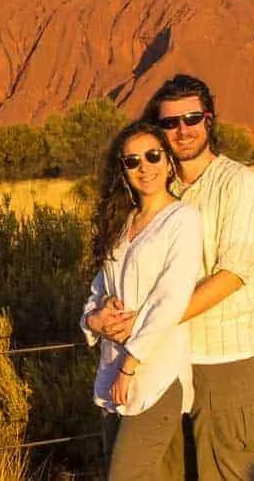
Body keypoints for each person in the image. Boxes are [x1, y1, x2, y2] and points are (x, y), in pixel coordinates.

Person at [90, 74, 254, 480]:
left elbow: (233, 272)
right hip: (162, 357)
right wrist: (101, 312)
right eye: (170, 122)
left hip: (220, 352)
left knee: (229, 465)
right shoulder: (153, 191)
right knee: (168, 468)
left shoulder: (239, 184)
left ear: (209, 121)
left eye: (192, 118)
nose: (182, 130)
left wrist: (151, 321)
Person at [81, 120, 203, 480]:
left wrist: (129, 365)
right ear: (123, 170)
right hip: (111, 375)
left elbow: (171, 300)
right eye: (132, 161)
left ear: (168, 162)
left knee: (124, 475)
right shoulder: (122, 222)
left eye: (152, 156)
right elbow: (96, 292)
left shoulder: (182, 220)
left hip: (154, 375)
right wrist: (94, 320)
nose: (144, 168)